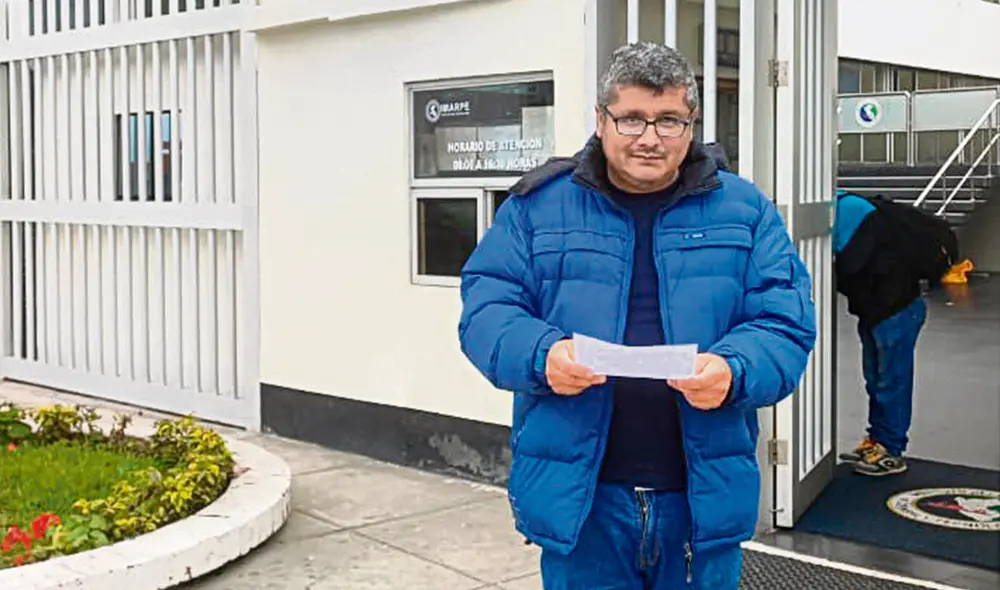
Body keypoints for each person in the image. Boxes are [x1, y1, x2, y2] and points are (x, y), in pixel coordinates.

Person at [457, 42, 816, 589]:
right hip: (584, 500)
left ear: (691, 124)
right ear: (601, 120)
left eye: (668, 119)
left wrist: (735, 369)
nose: (650, 138)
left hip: (700, 502)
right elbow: (487, 305)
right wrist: (541, 354)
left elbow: (785, 322)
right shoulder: (536, 208)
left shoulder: (746, 211)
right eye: (631, 119)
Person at [834, 190, 928, 476]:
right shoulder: (852, 208)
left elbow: (848, 265)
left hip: (895, 309)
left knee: (891, 381)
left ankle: (891, 450)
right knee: (876, 379)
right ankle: (878, 440)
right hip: (881, 308)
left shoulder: (844, 213)